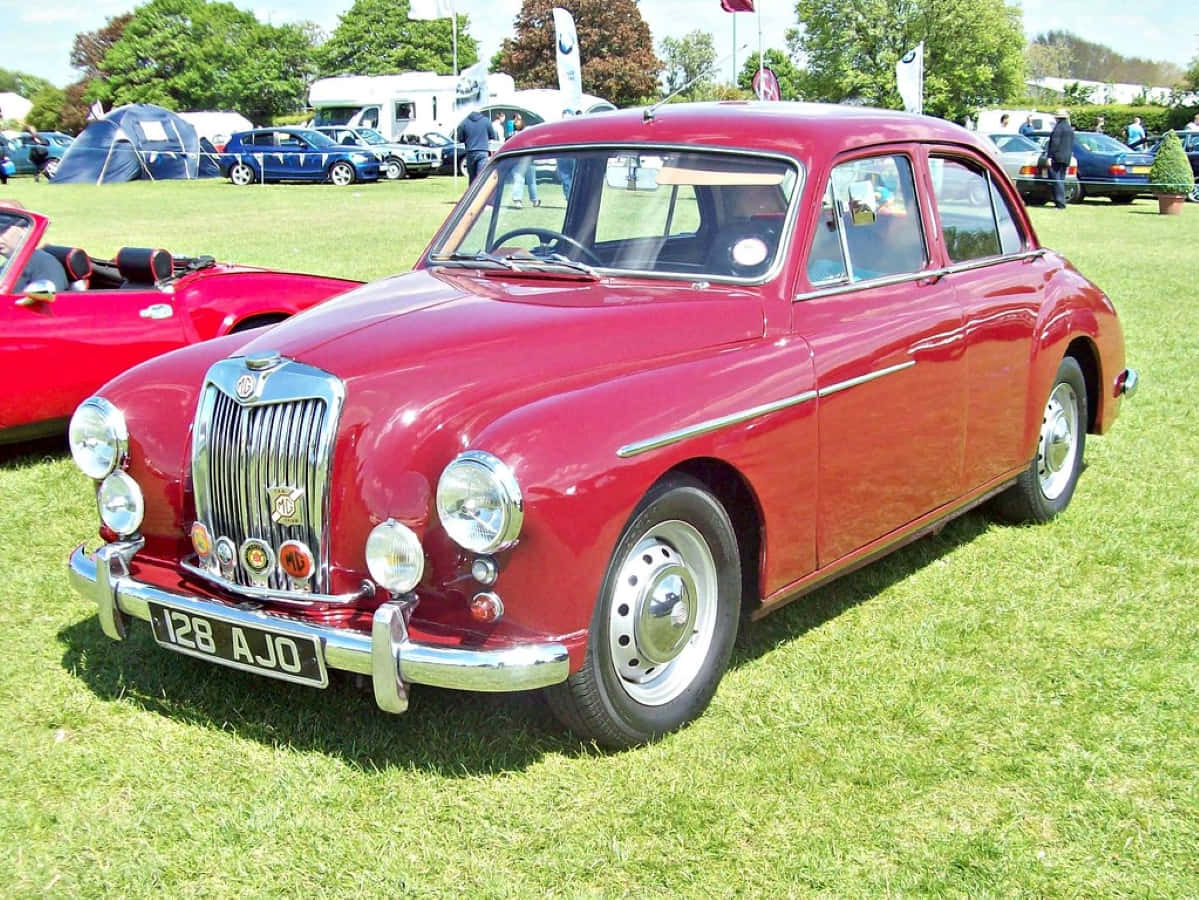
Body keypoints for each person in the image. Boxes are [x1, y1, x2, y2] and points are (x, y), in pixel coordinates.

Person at [0, 209, 68, 293]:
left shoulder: (43, 262)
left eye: (2, 231)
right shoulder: (10, 264)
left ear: (25, 230)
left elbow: (48, 298)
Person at [1046, 108, 1075, 210]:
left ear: (1057, 118)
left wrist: (1049, 157)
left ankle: (1060, 203)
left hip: (1057, 157)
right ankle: (1061, 202)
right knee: (1061, 180)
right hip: (1066, 158)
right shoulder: (1069, 129)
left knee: (1056, 180)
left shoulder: (1058, 128)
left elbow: (1055, 143)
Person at [455, 109, 493, 184]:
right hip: (483, 151)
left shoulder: (464, 122)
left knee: (472, 178)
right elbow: (492, 135)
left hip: (470, 152)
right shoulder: (486, 121)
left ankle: (472, 194)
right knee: (480, 176)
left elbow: (460, 138)